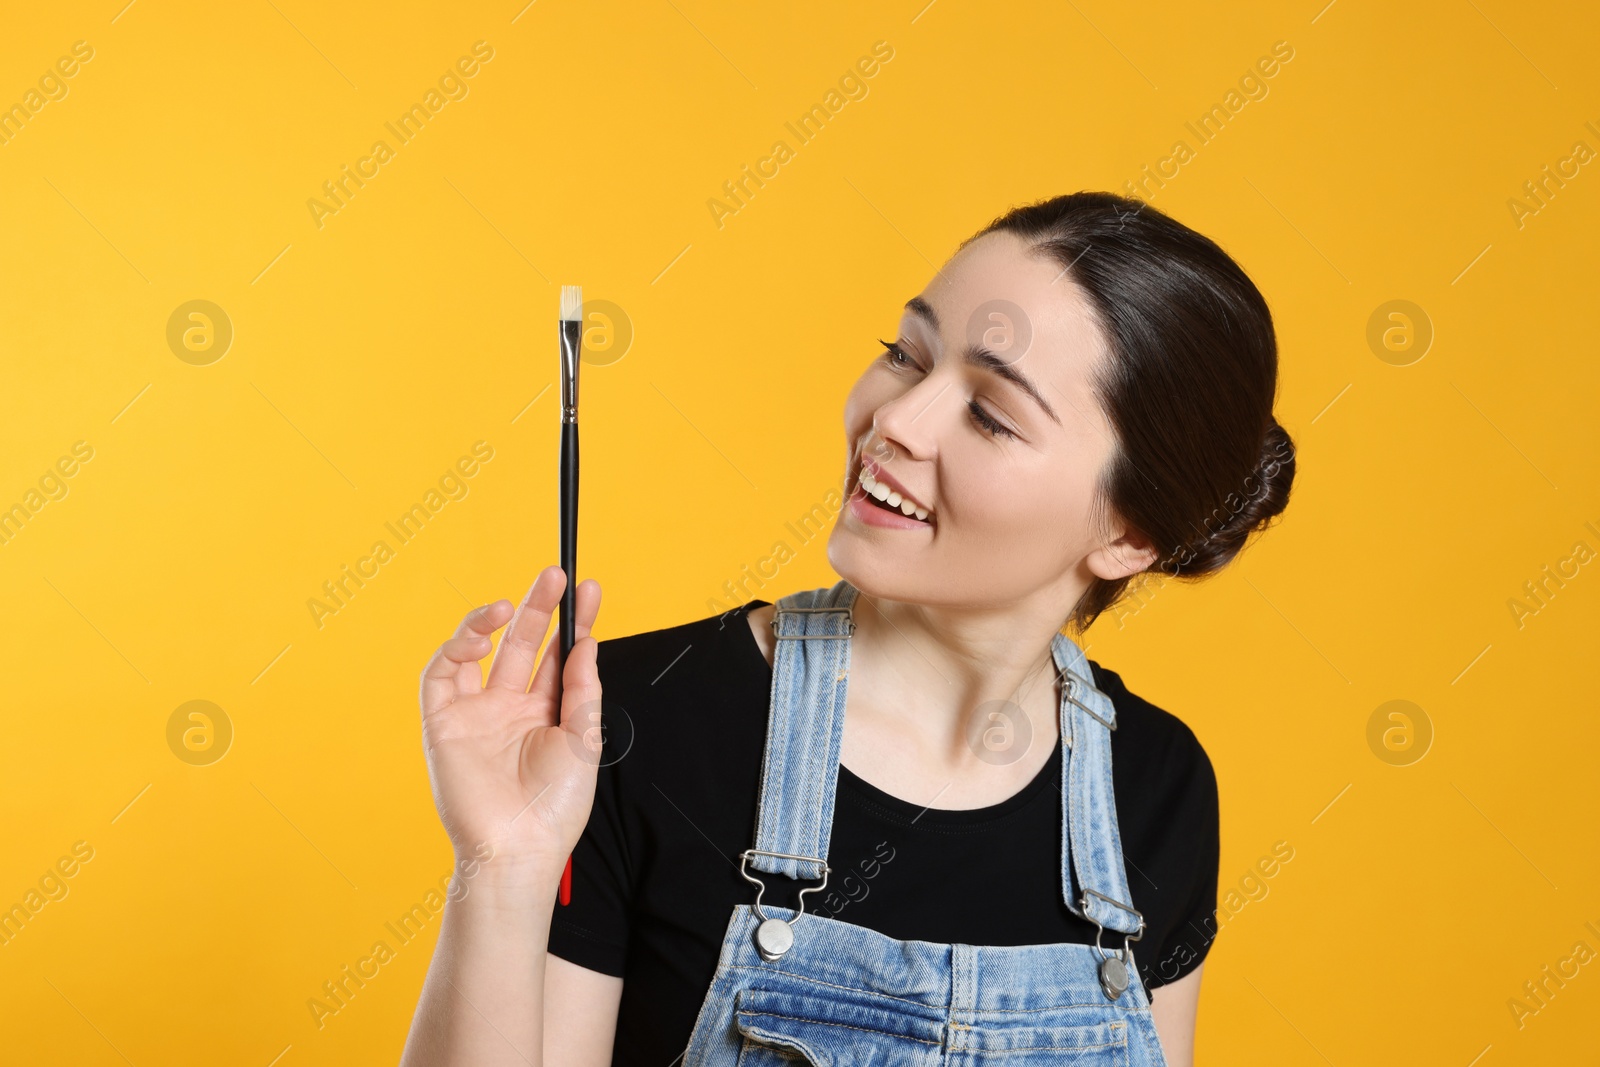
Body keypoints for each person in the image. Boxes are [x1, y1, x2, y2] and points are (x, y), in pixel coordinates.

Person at [399, 191, 1296, 1066]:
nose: (894, 421)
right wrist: (504, 867)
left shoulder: (1158, 788)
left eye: (989, 414)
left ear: (1129, 534)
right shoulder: (630, 726)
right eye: (905, 355)